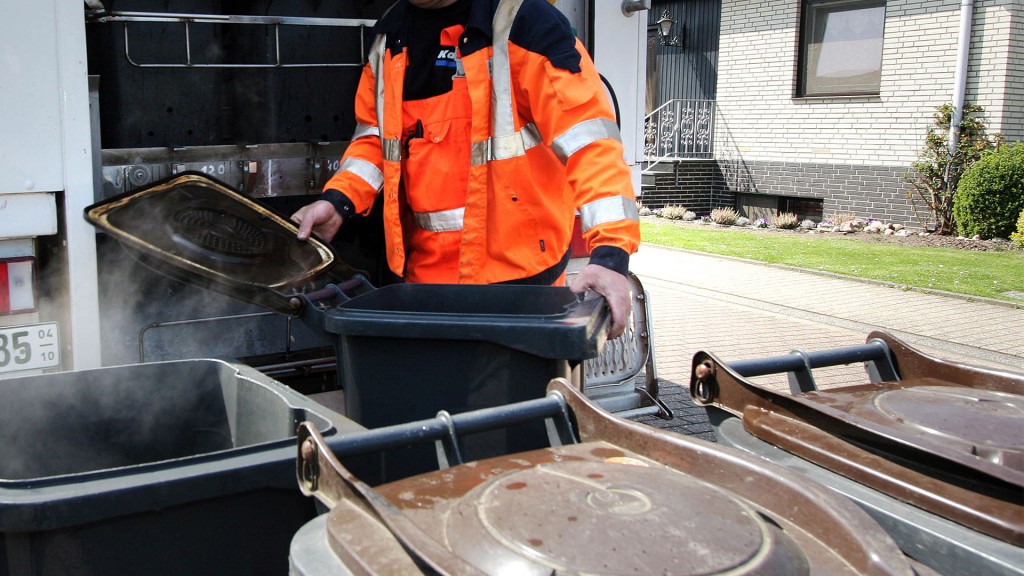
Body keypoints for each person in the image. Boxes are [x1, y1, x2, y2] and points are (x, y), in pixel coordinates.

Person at [292, 0, 640, 337]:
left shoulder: (527, 24)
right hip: (425, 289)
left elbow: (590, 145)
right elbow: (376, 138)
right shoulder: (390, 34)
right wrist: (338, 200)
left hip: (522, 293)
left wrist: (610, 256)